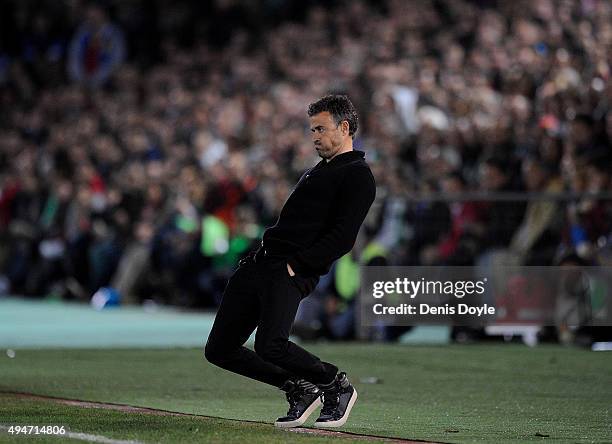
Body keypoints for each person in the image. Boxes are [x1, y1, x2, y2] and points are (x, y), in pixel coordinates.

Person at [204, 95, 376, 428]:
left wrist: (297, 265)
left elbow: (343, 237)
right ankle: (298, 387)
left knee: (271, 346)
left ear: (344, 127)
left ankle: (334, 384)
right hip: (260, 263)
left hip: (288, 269)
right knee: (220, 349)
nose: (315, 137)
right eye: (312, 129)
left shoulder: (357, 175)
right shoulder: (321, 170)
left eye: (321, 129)